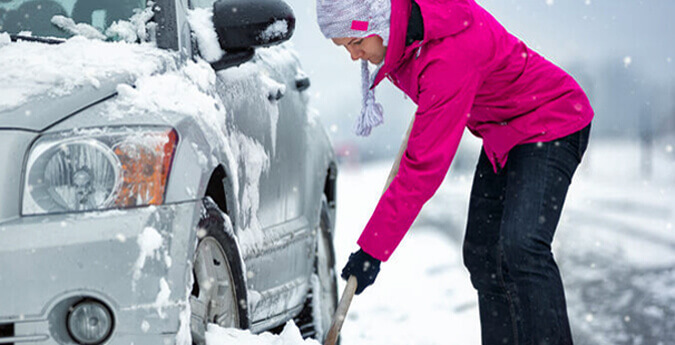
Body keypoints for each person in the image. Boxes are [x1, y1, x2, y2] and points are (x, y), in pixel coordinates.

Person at [316, 0, 593, 344]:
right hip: (503, 134)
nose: (355, 56)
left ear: (378, 21)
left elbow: (422, 169)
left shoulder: (447, 57)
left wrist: (372, 251)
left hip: (551, 120)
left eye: (356, 43)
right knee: (482, 253)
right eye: (345, 48)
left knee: (522, 247)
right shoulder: (406, 37)